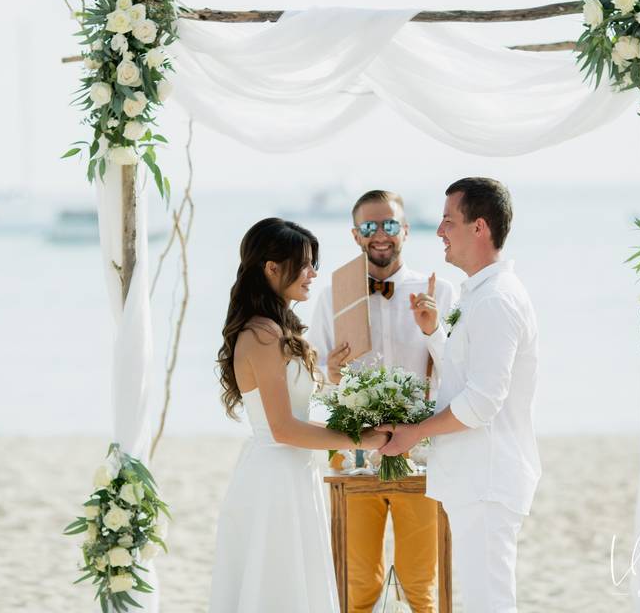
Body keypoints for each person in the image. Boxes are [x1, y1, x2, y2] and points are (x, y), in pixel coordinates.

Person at [378, 177, 541, 613]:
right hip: (476, 475)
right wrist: (434, 332)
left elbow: (482, 402)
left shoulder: (496, 301)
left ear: (479, 228)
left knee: (490, 603)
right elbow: (464, 369)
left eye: (448, 221)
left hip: (487, 477)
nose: (439, 232)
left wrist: (414, 433)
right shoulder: (483, 295)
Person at [209, 217, 389, 613]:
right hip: (274, 477)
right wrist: (360, 438)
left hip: (294, 471)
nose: (312, 274)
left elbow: (297, 404)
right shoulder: (261, 335)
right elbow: (284, 427)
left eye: (314, 264)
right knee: (277, 585)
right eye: (303, 264)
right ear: (271, 268)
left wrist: (332, 377)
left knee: (296, 583)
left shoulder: (278, 329)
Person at [310, 190, 455, 613]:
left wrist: (432, 331)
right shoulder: (332, 296)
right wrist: (331, 376)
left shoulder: (440, 292)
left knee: (420, 584)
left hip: (421, 453)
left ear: (405, 231)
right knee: (357, 585)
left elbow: (457, 374)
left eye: (389, 225)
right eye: (369, 227)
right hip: (353, 452)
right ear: (355, 235)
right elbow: (311, 373)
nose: (380, 235)